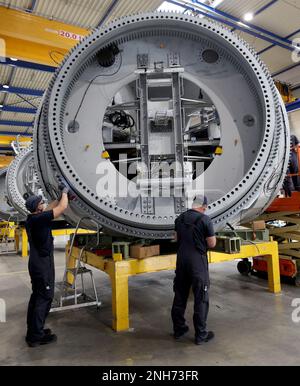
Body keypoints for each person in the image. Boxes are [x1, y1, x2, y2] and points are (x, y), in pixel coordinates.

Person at [25, 183, 69, 347]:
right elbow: (62, 208)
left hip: (36, 264)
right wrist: (65, 192)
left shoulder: (33, 218)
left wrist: (58, 197)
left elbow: (51, 207)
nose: (43, 204)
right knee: (45, 298)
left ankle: (34, 331)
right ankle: (36, 337)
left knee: (36, 297)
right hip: (42, 266)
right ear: (38, 208)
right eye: (41, 202)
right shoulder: (41, 218)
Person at [171, 195, 216, 345]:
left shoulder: (180, 219)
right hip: (197, 262)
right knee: (201, 298)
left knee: (180, 295)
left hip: (181, 260)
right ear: (203, 206)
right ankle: (201, 335)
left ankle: (179, 329)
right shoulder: (205, 219)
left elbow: (176, 238)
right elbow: (212, 244)